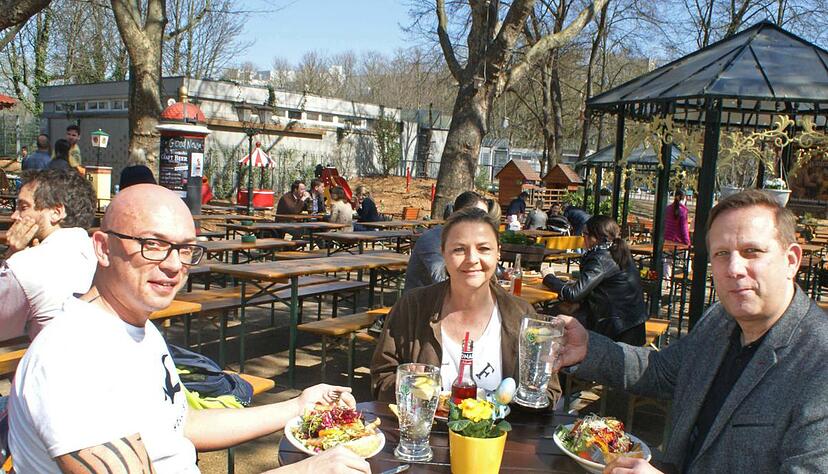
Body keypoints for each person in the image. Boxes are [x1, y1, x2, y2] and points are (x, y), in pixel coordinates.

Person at [8, 183, 371, 474]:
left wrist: (298, 406)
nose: (173, 265)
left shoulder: (138, 330)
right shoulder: (70, 356)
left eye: (184, 249)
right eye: (153, 244)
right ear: (102, 248)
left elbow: (178, 425)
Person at [556, 189, 827, 473]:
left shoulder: (818, 363)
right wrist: (588, 348)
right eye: (722, 254)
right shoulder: (719, 320)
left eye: (752, 251)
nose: (734, 268)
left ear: (791, 260)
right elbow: (661, 371)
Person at [372, 207, 562, 403]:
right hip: (429, 432)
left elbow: (549, 392)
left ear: (498, 253)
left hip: (503, 432)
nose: (472, 259)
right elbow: (381, 379)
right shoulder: (412, 306)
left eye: (484, 249)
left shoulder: (522, 315)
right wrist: (408, 385)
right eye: (459, 249)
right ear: (443, 254)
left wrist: (526, 398)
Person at [0, 169, 97, 341]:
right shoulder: (101, 253)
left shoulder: (26, 266)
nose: (15, 216)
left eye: (23, 207)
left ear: (56, 213)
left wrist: (11, 255)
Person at [542, 215, 646, 345]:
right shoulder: (616, 251)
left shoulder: (600, 258)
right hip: (633, 325)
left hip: (616, 330)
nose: (583, 238)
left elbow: (574, 294)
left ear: (596, 237)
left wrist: (548, 277)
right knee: (561, 315)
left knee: (552, 321)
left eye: (585, 234)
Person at [403, 191, 489, 292]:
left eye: (486, 218)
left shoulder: (471, 241)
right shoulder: (433, 239)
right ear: (461, 214)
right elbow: (441, 279)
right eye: (479, 216)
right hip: (422, 305)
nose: (483, 222)